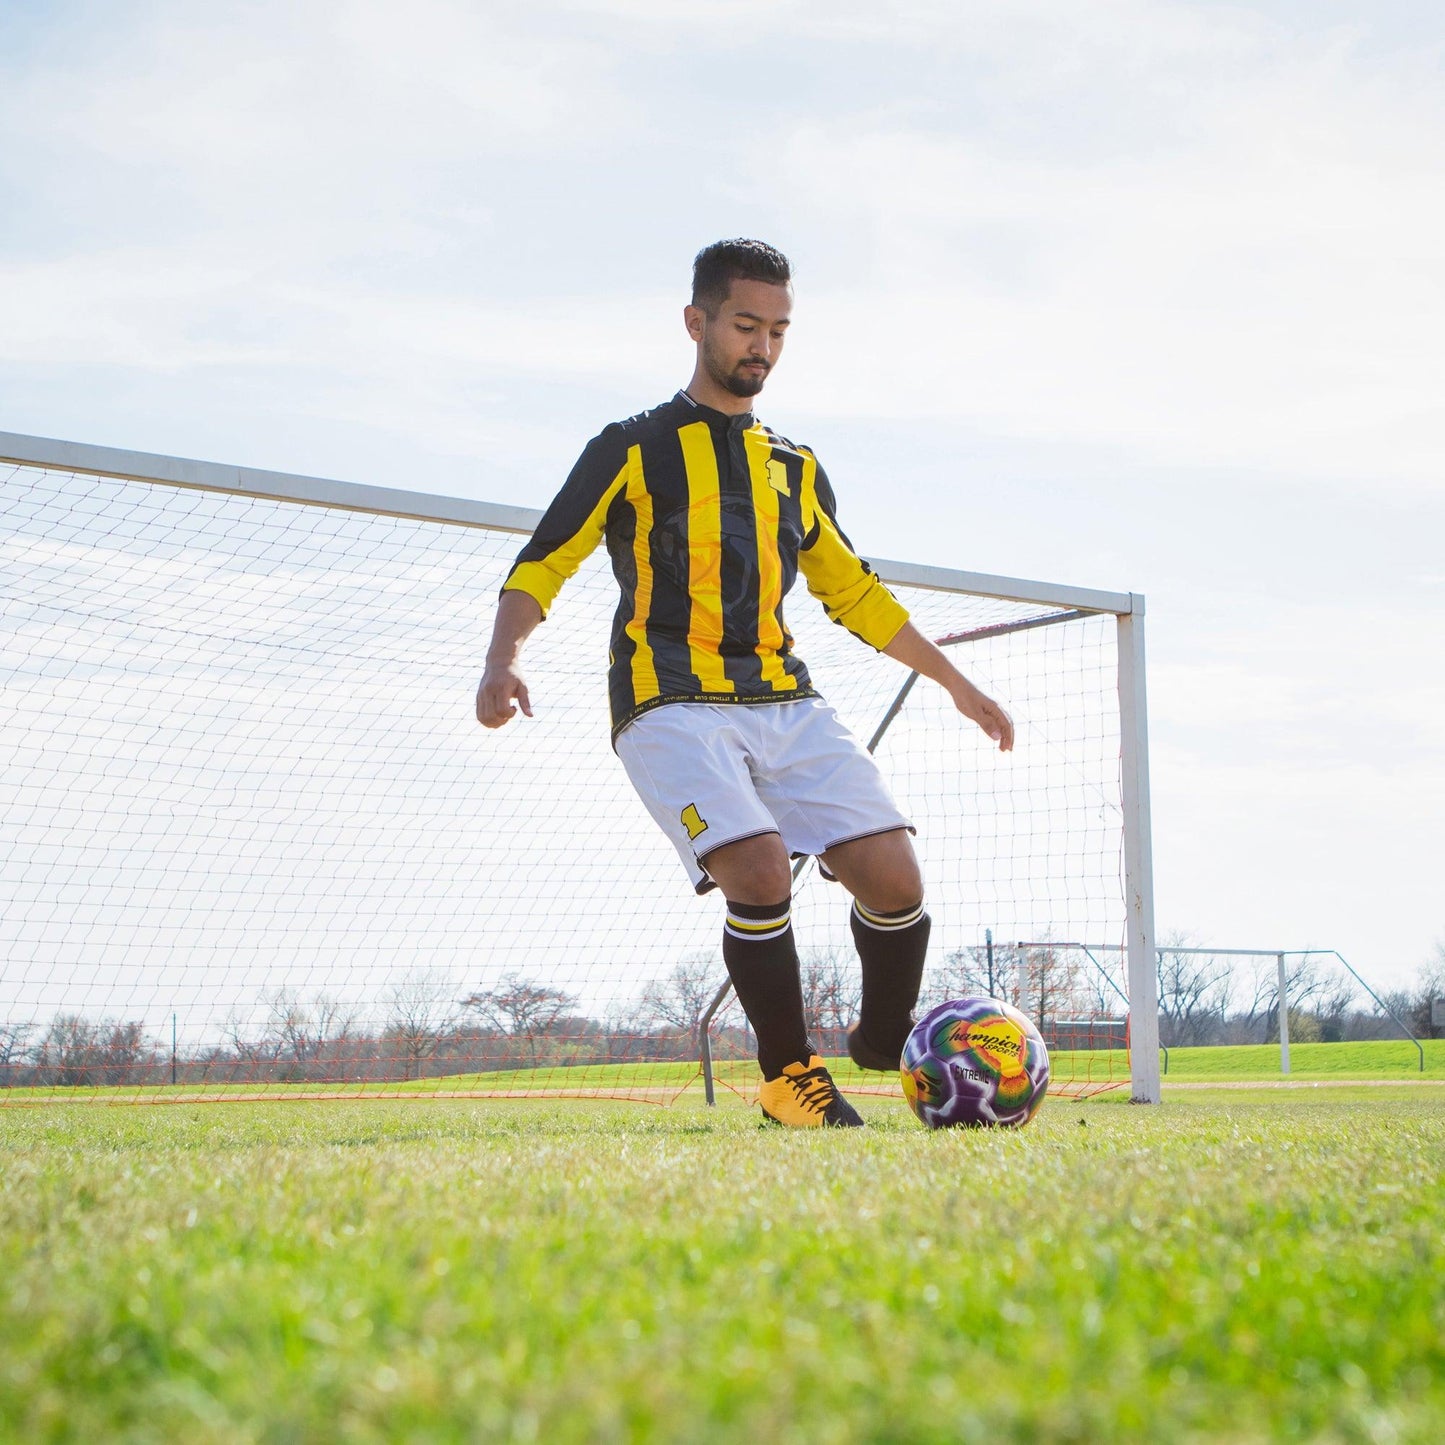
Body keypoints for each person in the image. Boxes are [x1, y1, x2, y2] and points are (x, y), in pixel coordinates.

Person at [476, 239, 1013, 1127]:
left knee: (894, 878)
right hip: (667, 699)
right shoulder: (628, 448)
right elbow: (544, 561)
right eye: (744, 325)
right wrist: (503, 659)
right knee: (758, 868)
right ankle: (787, 1076)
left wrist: (954, 681)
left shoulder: (794, 467)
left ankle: (884, 1044)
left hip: (783, 698)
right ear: (697, 323)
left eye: (777, 330)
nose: (760, 346)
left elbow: (855, 593)